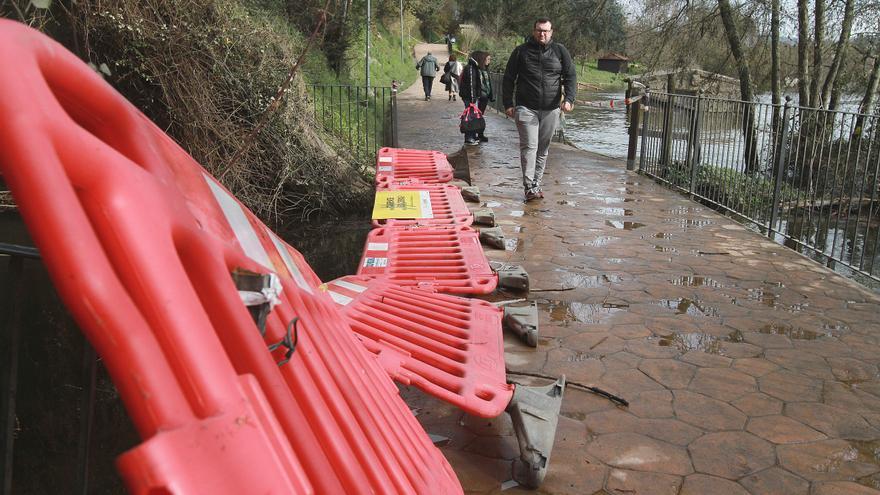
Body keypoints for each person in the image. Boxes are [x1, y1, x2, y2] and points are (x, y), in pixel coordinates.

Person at [502, 17, 576, 202]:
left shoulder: (560, 52)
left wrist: (568, 99)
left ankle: (536, 184)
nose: (542, 33)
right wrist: (508, 104)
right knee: (529, 146)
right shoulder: (521, 52)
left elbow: (570, 76)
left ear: (551, 32)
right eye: (539, 30)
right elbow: (509, 78)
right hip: (526, 108)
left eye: (545, 31)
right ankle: (529, 186)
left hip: (551, 109)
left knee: (542, 149)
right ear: (533, 31)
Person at [458, 51, 487, 145]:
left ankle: (472, 136)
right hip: (469, 97)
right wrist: (472, 99)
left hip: (470, 96)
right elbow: (471, 84)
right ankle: (469, 137)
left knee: (472, 117)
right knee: (470, 118)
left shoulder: (473, 67)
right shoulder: (471, 68)